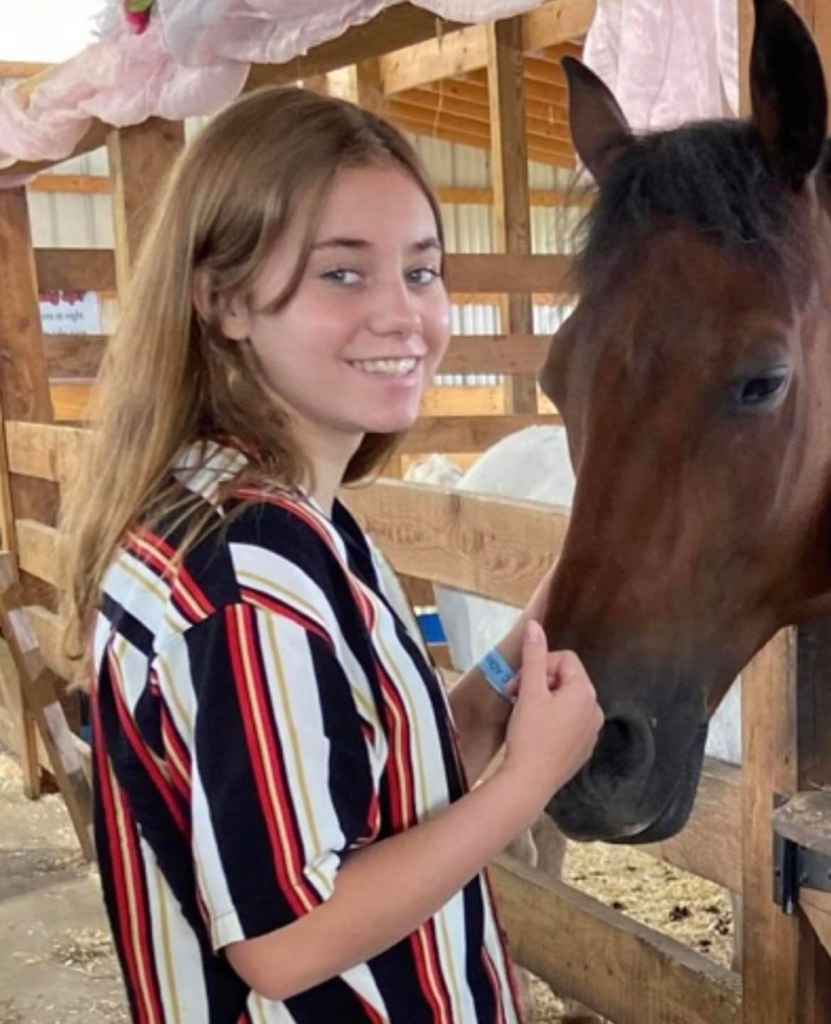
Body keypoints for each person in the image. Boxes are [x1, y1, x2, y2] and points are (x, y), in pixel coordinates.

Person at [61, 84, 603, 1024]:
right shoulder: (244, 580)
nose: (404, 317)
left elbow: (383, 779)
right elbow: (288, 941)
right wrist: (529, 782)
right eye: (342, 275)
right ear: (225, 300)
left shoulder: (281, 518)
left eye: (421, 271)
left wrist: (536, 629)